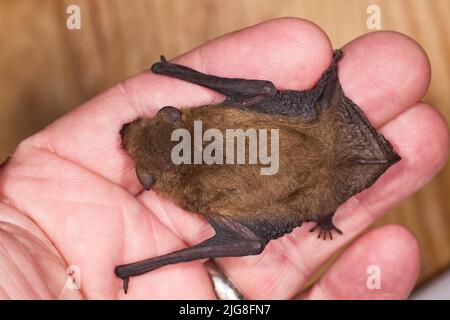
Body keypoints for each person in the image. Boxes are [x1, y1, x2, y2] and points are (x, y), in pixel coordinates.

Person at [0, 18, 447, 299]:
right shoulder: (206, 123)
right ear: (172, 115)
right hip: (320, 131)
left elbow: (250, 240)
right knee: (271, 99)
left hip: (314, 184)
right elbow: (262, 95)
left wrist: (139, 267)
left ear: (150, 180)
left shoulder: (190, 196)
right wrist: (170, 70)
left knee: (256, 232)